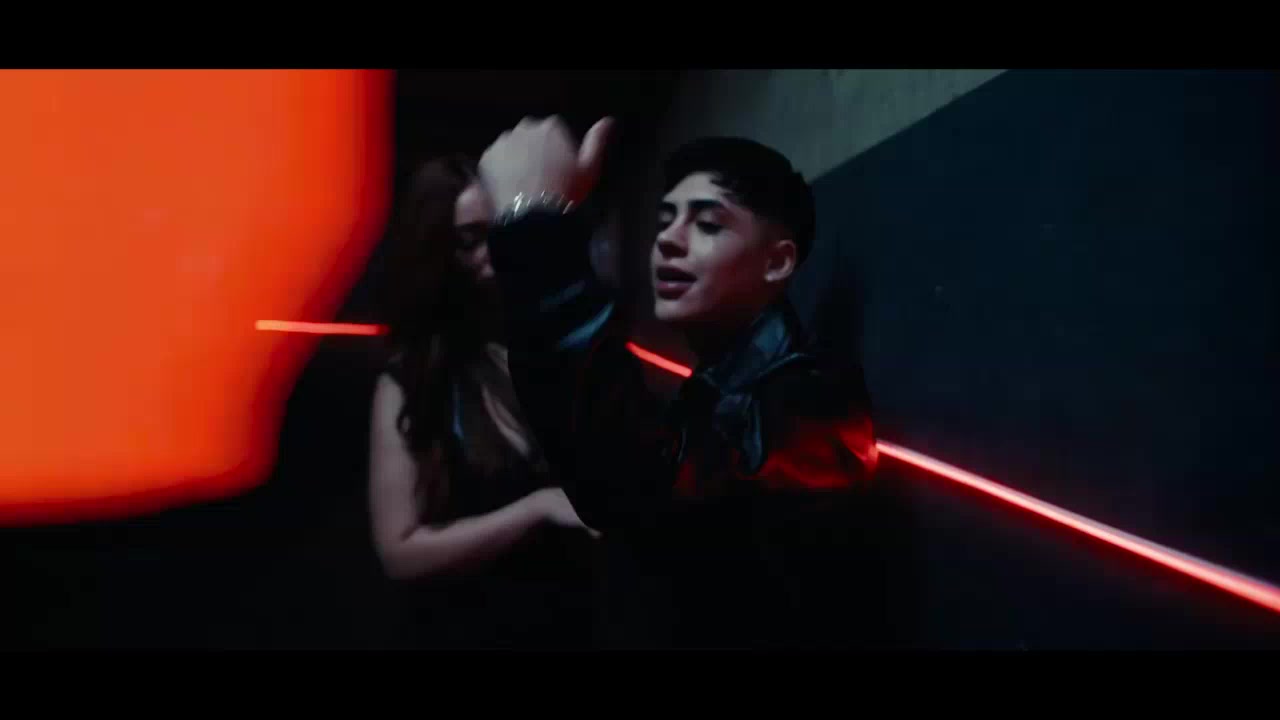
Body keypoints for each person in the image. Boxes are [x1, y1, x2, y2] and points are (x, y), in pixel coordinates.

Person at [476, 118, 883, 648]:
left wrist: (534, 230)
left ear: (777, 261)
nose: (668, 240)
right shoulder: (714, 389)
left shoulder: (808, 404)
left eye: (708, 224)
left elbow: (645, 491)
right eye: (664, 221)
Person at [367, 154, 598, 649]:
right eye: (468, 240)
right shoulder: (411, 379)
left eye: (498, 232)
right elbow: (400, 552)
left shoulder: (542, 348)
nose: (489, 254)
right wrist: (536, 509)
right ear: (437, 253)